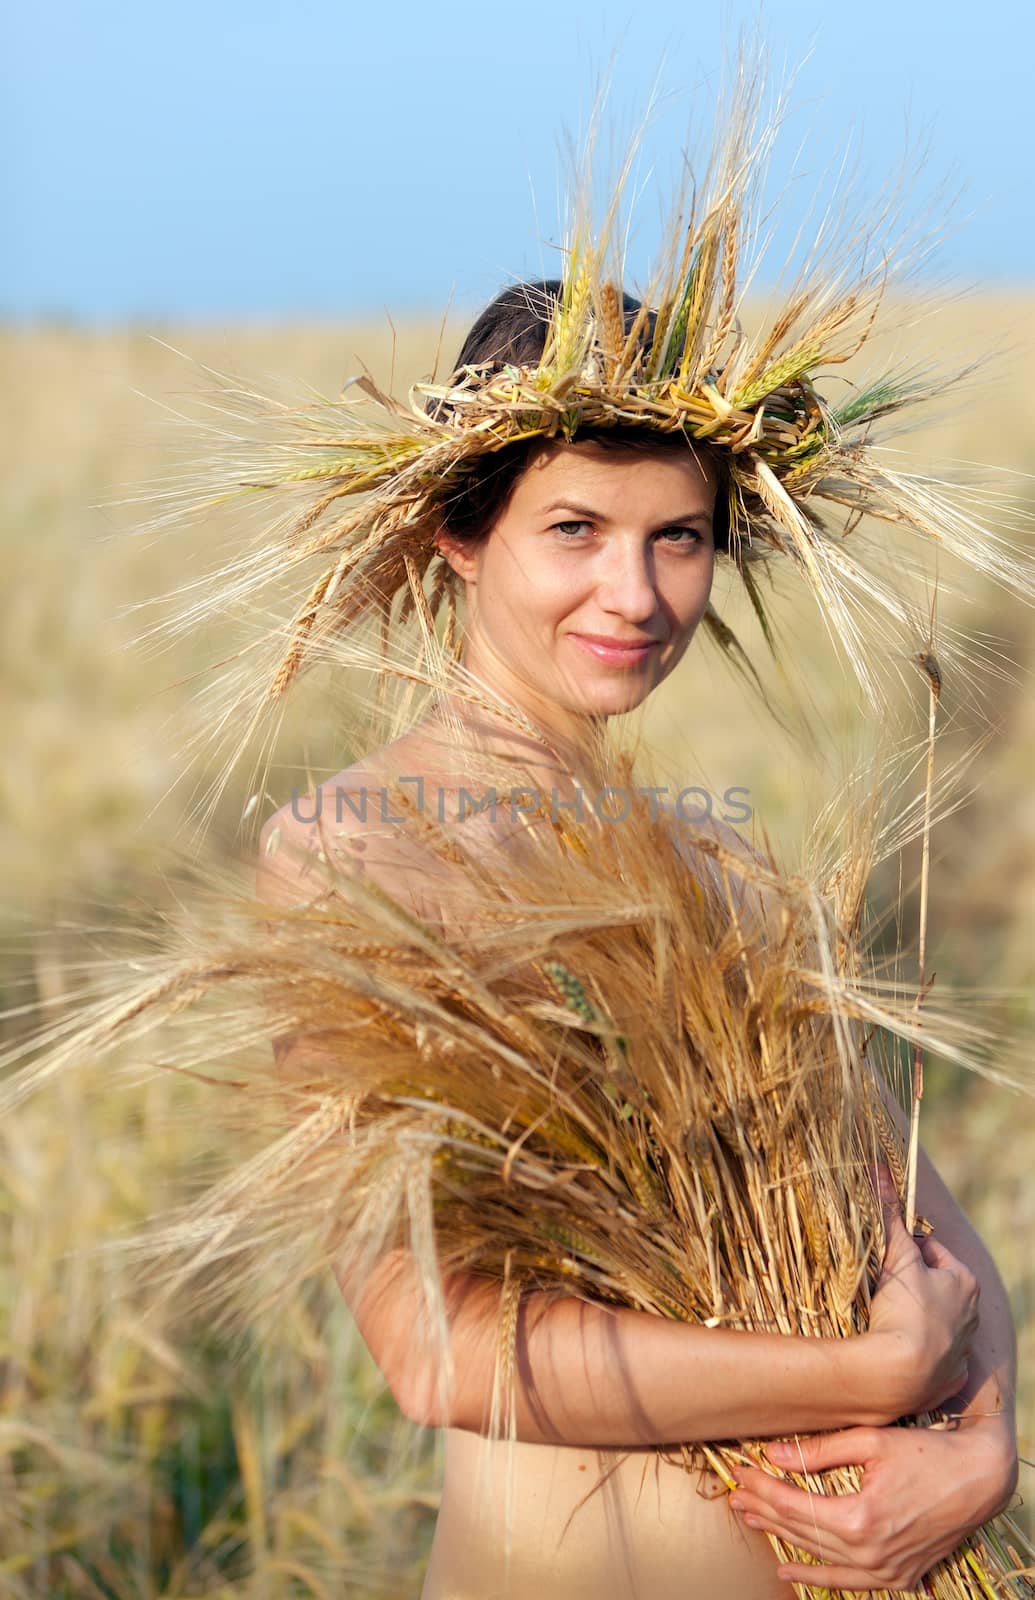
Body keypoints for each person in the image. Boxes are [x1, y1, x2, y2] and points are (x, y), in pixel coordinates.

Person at [255, 281, 1020, 1599]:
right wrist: (871, 1374)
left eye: (679, 536)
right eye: (575, 528)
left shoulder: (724, 866)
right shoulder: (358, 859)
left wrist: (986, 1450)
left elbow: (931, 1236)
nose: (636, 591)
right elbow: (436, 1349)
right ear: (459, 528)